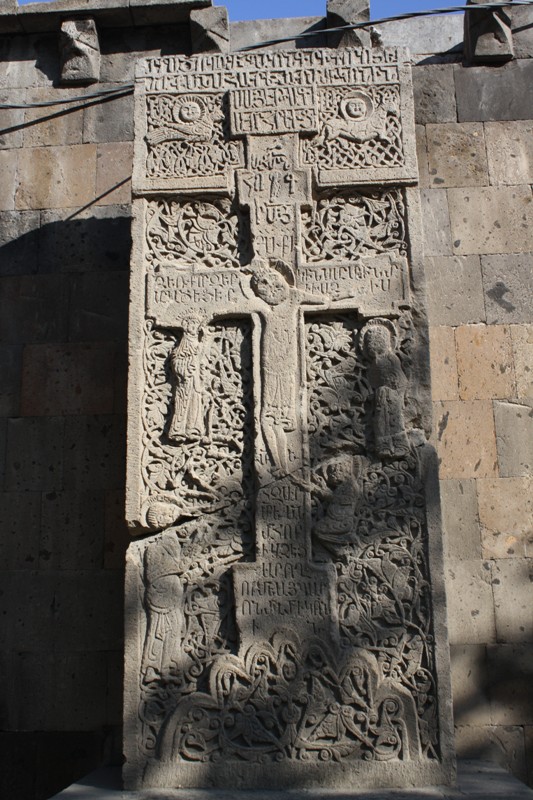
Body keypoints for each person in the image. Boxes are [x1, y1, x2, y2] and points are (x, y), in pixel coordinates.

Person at [362, 320, 410, 459]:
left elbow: (400, 379)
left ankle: (400, 445)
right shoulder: (374, 363)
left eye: (377, 341)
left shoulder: (391, 359)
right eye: (370, 343)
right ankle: (383, 446)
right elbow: (373, 381)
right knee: (381, 423)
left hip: (393, 397)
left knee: (395, 422)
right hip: (380, 399)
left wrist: (397, 394)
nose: (373, 345)